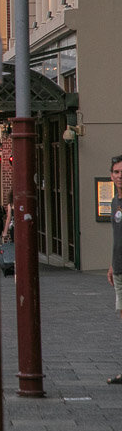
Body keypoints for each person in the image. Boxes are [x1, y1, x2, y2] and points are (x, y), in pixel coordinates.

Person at [104, 156, 122, 384]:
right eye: (116, 172)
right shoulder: (115, 201)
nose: (120, 176)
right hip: (118, 268)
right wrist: (111, 263)